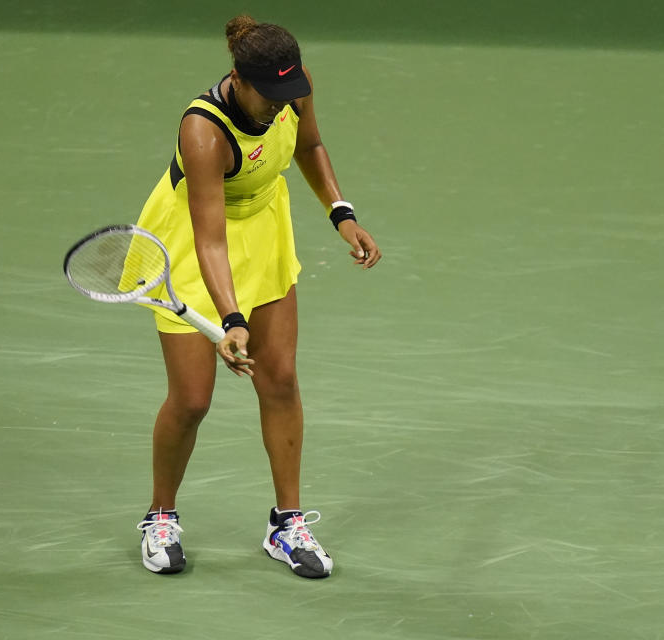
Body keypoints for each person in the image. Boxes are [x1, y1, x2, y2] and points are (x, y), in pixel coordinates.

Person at [133, 15, 381, 579]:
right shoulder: (203, 131)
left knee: (281, 380)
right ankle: (159, 515)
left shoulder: (292, 86)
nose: (279, 105)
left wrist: (341, 215)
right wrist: (231, 318)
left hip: (264, 232)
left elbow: (310, 145)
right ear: (238, 80)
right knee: (193, 399)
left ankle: (286, 523)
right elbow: (209, 238)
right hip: (196, 249)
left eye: (286, 94)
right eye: (268, 96)